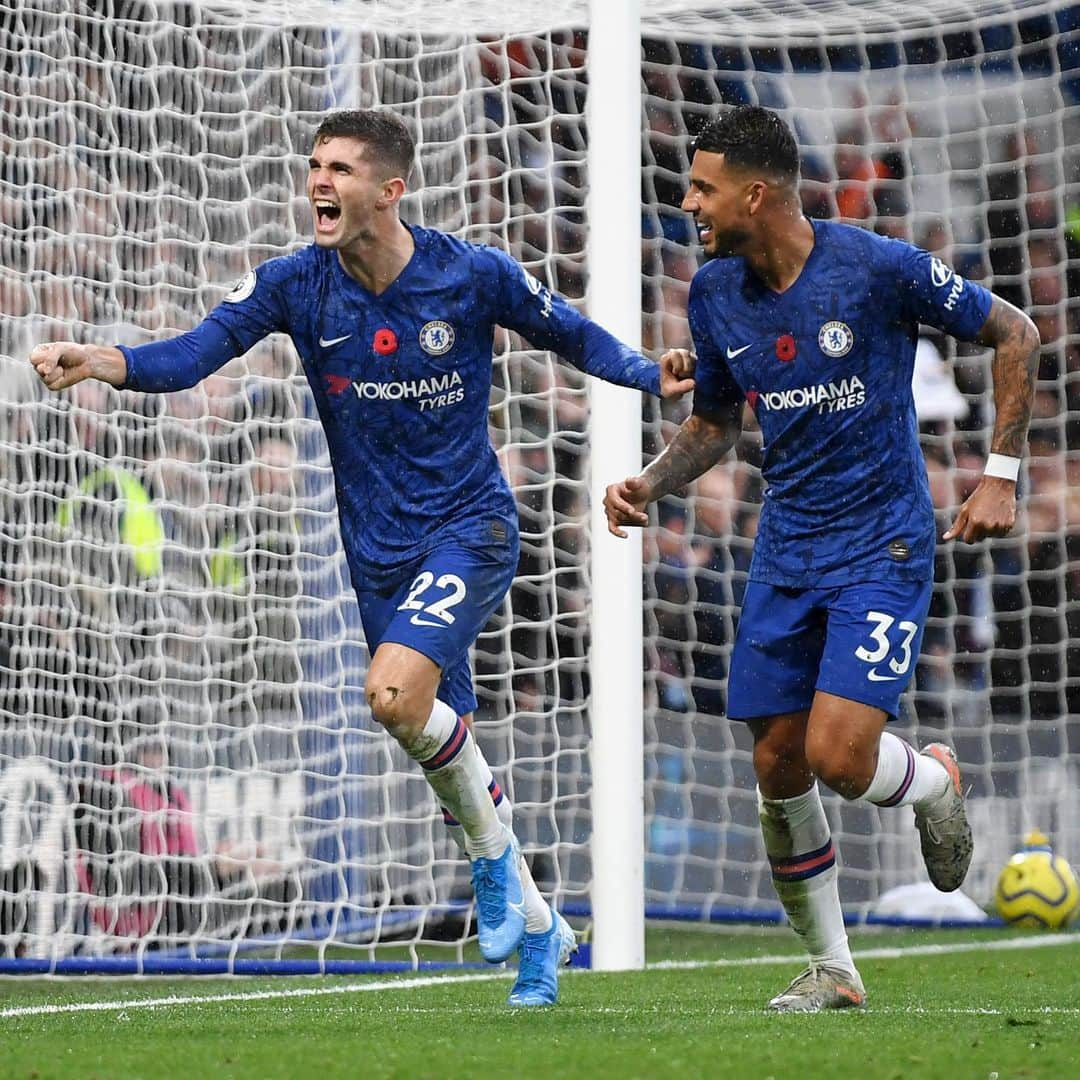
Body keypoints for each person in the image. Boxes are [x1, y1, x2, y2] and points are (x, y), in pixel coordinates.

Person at [30, 108, 693, 1006]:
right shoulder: (297, 284)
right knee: (437, 748)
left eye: (338, 168)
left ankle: (493, 870)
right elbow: (193, 355)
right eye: (313, 166)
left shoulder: (472, 274)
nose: (318, 183)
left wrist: (655, 373)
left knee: (390, 695)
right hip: (376, 555)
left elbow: (573, 336)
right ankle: (542, 928)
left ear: (389, 188)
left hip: (470, 528)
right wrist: (101, 357)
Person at [604, 105, 1038, 1013]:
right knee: (776, 764)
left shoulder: (874, 267)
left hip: (880, 540)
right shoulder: (715, 293)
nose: (689, 203)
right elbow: (718, 419)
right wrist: (651, 483)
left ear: (755, 193)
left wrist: (998, 476)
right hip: (787, 547)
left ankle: (930, 781)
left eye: (703, 187)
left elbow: (1017, 334)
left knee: (841, 758)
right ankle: (834, 969)